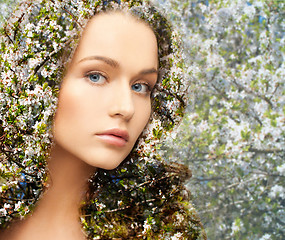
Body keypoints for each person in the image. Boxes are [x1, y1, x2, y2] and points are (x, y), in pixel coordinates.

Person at [0, 0, 206, 239]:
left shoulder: (162, 228)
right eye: (96, 76)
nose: (126, 108)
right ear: (35, 80)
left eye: (140, 87)